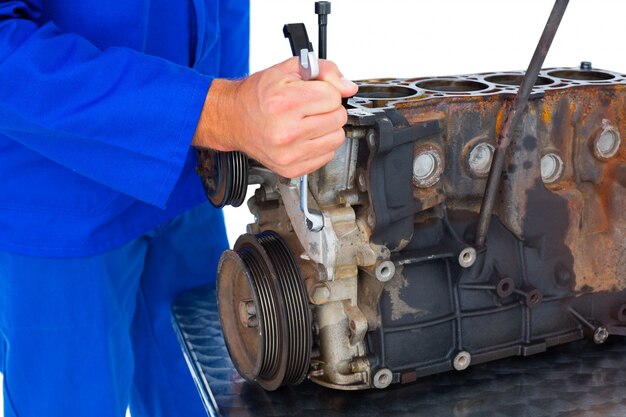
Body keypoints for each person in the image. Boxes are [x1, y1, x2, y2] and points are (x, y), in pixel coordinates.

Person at [0, 1, 358, 416]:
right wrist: (219, 111)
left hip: (188, 177)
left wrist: (235, 116)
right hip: (56, 201)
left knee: (211, 400)